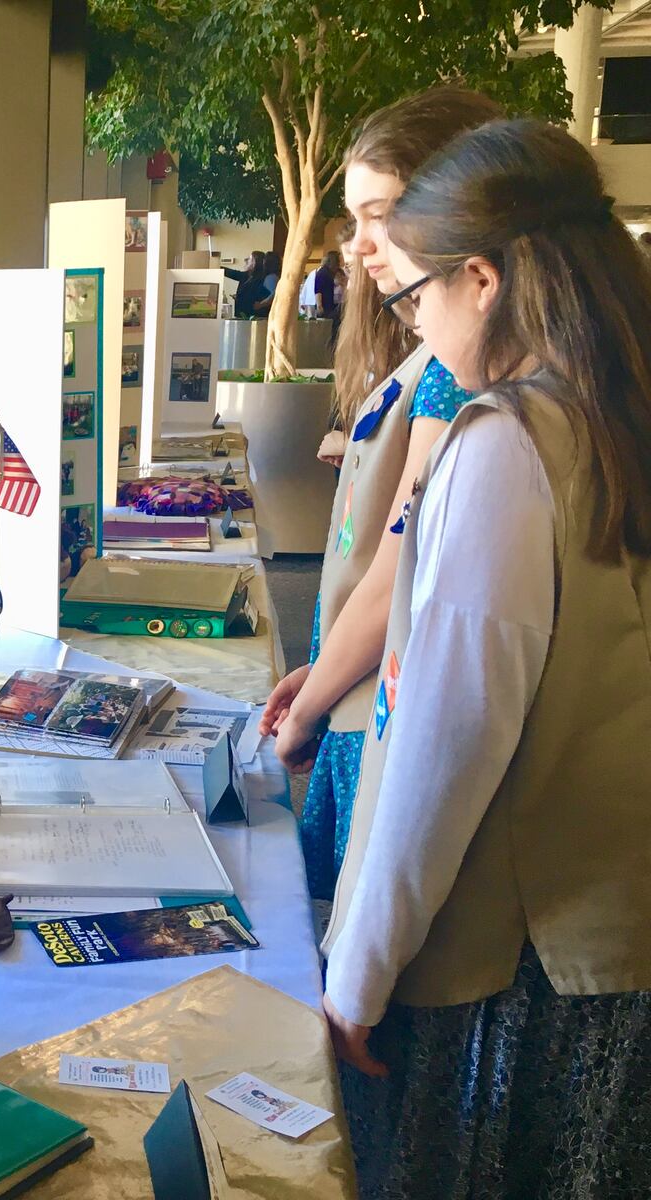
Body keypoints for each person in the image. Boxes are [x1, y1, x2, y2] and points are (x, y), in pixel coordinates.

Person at [321, 117, 651, 1199]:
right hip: (616, 958)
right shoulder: (621, 417)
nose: (412, 322)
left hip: (516, 979)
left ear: (481, 279)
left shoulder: (509, 444)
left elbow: (443, 749)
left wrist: (357, 973)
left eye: (414, 297)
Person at [259, 87, 500, 901]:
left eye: (380, 213)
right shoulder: (427, 353)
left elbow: (401, 563)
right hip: (357, 691)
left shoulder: (450, 370)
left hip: (376, 708)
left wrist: (307, 707)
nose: (358, 242)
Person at [225, 250, 266, 318]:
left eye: (249, 258)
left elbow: (256, 296)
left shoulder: (262, 278)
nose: (246, 260)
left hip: (253, 316)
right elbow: (231, 273)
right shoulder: (247, 275)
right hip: (242, 314)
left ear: (254, 262)